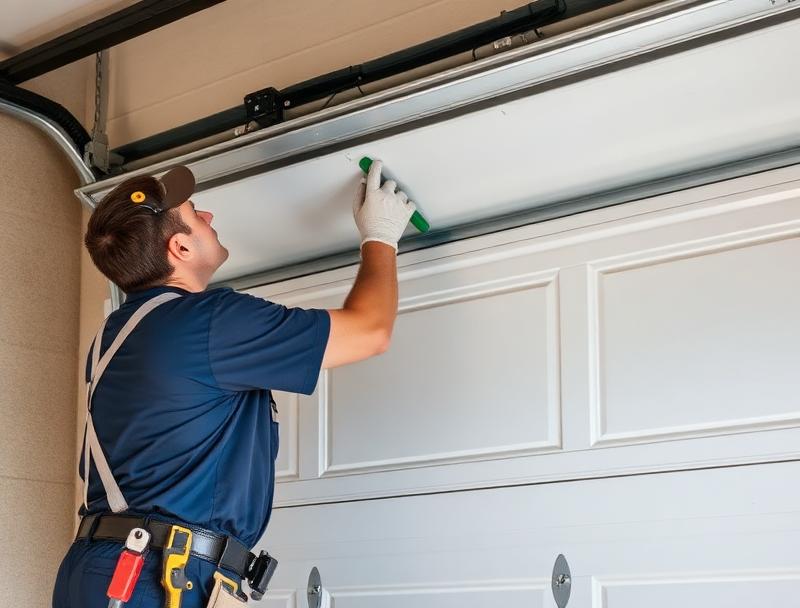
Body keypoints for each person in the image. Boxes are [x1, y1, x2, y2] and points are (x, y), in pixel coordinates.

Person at [52, 160, 415, 608]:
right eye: (195, 214)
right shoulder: (206, 322)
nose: (209, 217)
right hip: (156, 575)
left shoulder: (115, 335)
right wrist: (380, 236)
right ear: (180, 247)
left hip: (117, 569)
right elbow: (370, 331)